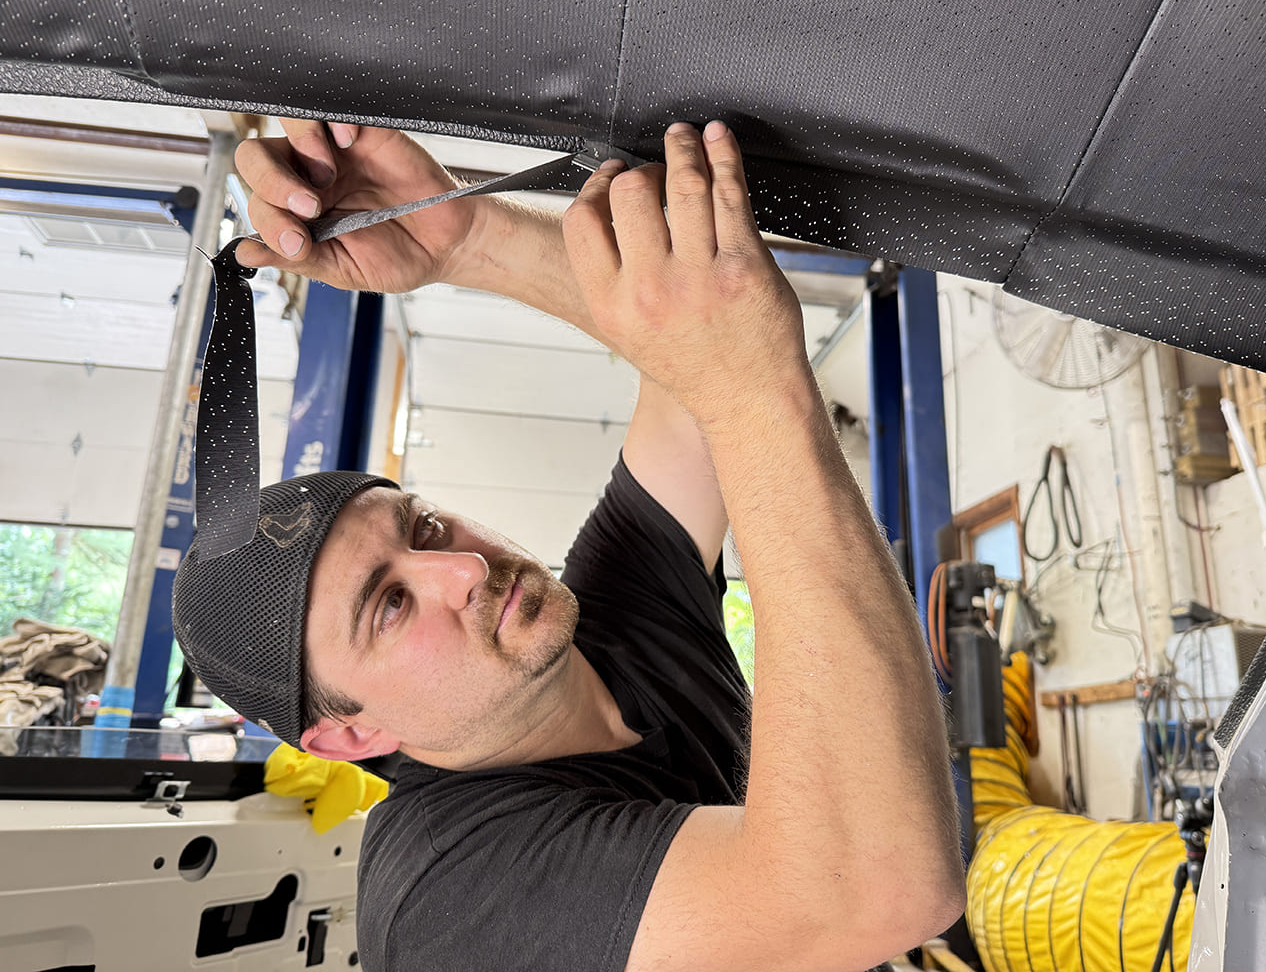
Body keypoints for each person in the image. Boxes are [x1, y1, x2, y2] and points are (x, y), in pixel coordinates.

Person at [174, 118, 964, 971]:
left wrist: (471, 240)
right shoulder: (450, 895)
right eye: (391, 606)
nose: (463, 568)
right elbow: (873, 890)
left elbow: (689, 361)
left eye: (424, 528)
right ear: (349, 737)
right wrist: (751, 388)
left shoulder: (604, 620)